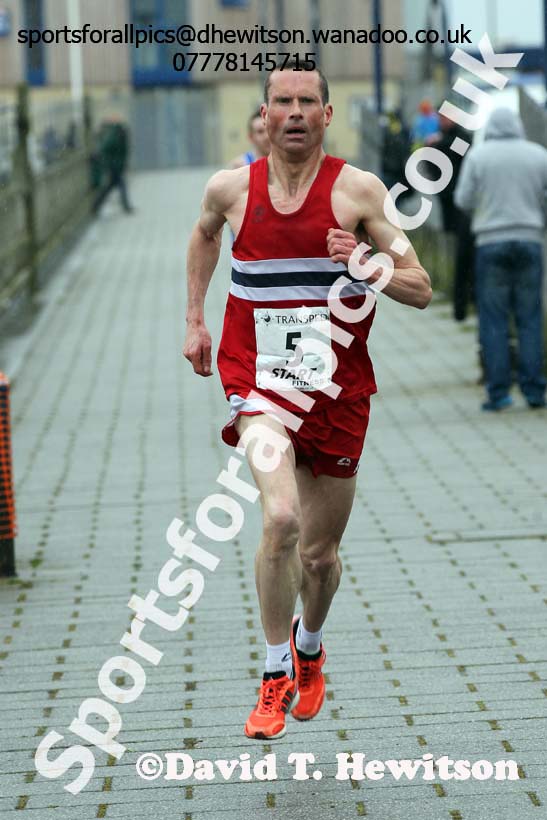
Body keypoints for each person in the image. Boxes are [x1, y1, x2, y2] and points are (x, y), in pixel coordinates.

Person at [183, 62, 432, 740]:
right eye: (281, 102)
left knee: (319, 558)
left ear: (326, 114)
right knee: (280, 519)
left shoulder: (359, 192)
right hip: (257, 382)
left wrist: (365, 262)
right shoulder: (230, 189)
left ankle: (309, 648)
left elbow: (420, 286)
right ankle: (271, 675)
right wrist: (195, 320)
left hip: (336, 392)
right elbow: (204, 234)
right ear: (263, 115)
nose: (292, 113)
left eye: (306, 102)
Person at [455, 107, 547, 411]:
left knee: (494, 320)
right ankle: (534, 391)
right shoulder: (537, 155)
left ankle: (498, 393)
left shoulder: (479, 157)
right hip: (530, 240)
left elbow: (463, 199)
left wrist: (488, 209)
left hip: (490, 243)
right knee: (529, 318)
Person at [431, 114, 475, 321]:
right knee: (459, 256)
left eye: (445, 118)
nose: (442, 122)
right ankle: (463, 304)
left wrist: (436, 145)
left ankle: (466, 304)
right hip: (449, 203)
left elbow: (453, 152)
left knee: (464, 258)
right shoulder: (443, 138)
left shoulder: (461, 137)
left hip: (463, 207)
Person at [92, 114, 134, 216]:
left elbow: (105, 147)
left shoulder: (115, 133)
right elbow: (107, 147)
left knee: (111, 187)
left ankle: (96, 206)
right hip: (115, 165)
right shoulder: (118, 133)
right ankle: (125, 206)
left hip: (114, 165)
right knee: (118, 186)